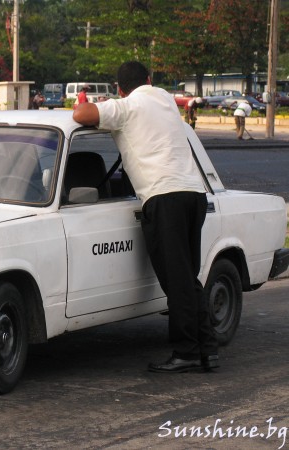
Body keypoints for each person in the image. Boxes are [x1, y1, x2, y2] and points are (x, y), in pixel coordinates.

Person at [72, 61, 219, 374]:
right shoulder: (164, 98)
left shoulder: (126, 107)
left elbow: (80, 116)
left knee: (175, 279)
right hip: (194, 194)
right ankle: (207, 348)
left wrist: (86, 101)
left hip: (164, 197)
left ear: (119, 89)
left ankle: (187, 352)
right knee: (188, 276)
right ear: (150, 80)